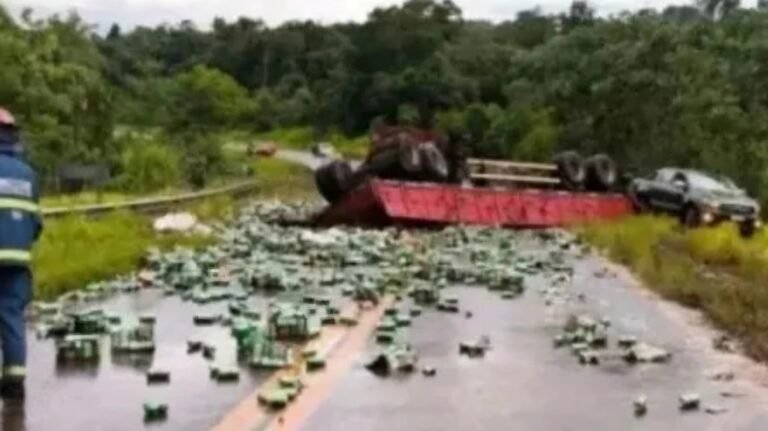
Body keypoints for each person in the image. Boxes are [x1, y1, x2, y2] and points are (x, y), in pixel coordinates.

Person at [0, 107, 42, 400]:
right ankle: (14, 381)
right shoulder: (28, 174)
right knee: (12, 317)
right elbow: (36, 223)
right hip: (17, 260)